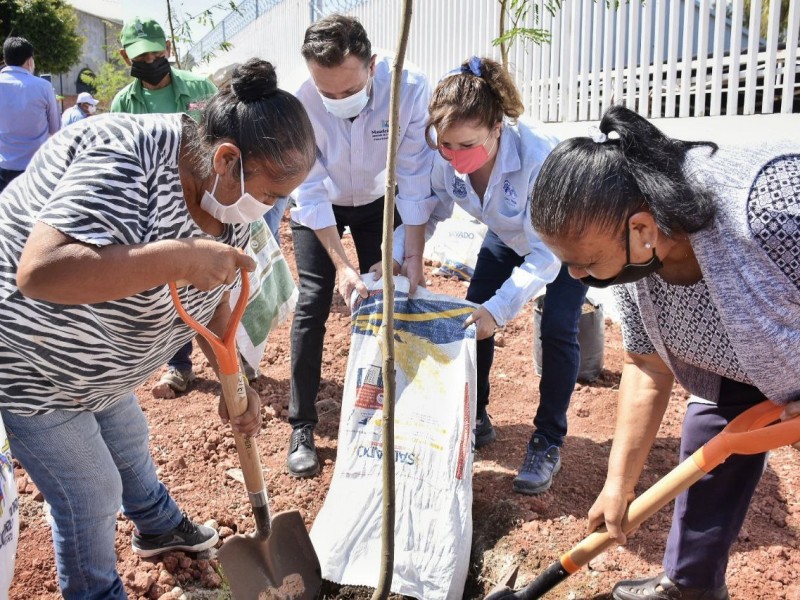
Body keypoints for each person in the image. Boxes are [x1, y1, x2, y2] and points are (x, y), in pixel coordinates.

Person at [0, 59, 316, 599]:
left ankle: (157, 523)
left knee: (129, 442)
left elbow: (217, 297)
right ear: (226, 159)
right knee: (92, 491)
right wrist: (178, 257)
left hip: (105, 360)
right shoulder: (126, 155)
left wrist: (236, 383)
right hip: (32, 356)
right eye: (269, 195)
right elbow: (40, 270)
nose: (271, 209)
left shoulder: (232, 202)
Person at [530, 105, 800, 600]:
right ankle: (691, 585)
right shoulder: (632, 263)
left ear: (642, 229)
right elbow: (646, 363)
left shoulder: (770, 208)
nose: (573, 276)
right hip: (741, 365)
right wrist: (618, 484)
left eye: (584, 261)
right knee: (710, 439)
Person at [389, 57, 588, 494]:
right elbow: (429, 210)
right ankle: (475, 417)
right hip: (506, 234)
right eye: (446, 146)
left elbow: (546, 255)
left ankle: (548, 440)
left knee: (557, 329)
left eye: (467, 146)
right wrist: (397, 252)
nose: (456, 158)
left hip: (565, 238)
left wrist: (498, 311)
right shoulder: (447, 159)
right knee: (468, 319)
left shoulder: (540, 157)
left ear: (497, 127)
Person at [286, 14, 435, 478]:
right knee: (313, 301)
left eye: (347, 91)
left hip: (378, 202)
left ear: (372, 65)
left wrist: (410, 256)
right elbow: (308, 192)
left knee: (387, 298)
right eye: (326, 92)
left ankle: (391, 418)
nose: (336, 101)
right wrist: (343, 267)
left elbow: (412, 178)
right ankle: (302, 425)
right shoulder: (299, 102)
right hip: (323, 205)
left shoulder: (407, 90)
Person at [112, 16, 219, 395]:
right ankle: (179, 365)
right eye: (141, 56)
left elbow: (221, 140)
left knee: (217, 283)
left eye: (157, 52)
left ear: (168, 50)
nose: (150, 60)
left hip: (204, 205)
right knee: (169, 288)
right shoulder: (123, 104)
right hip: (155, 210)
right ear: (127, 56)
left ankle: (233, 363)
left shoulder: (199, 89)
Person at [0, 36, 60, 192]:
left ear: (6, 60)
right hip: (36, 169)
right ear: (29, 61)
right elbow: (56, 128)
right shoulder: (43, 87)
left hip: (3, 167)